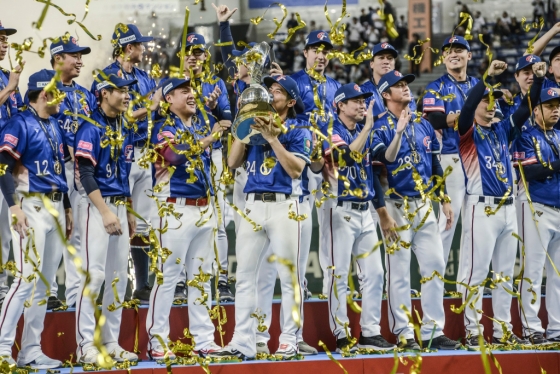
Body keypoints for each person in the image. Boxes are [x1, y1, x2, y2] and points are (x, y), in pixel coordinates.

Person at [210, 75, 312, 360]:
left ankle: (289, 339)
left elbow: (295, 170)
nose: (271, 94)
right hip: (253, 205)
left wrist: (272, 138)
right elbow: (231, 163)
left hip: (286, 206)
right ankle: (243, 340)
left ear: (290, 101)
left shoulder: (299, 129)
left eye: (278, 91)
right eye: (270, 89)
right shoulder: (252, 126)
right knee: (244, 277)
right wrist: (243, 129)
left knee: (288, 277)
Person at [455, 60, 545, 350]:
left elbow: (525, 108)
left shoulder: (502, 130)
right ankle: (473, 330)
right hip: (481, 208)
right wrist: (487, 78)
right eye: (486, 100)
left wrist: (540, 81)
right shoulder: (467, 133)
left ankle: (503, 329)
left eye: (494, 100)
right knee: (476, 273)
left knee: (505, 275)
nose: (491, 105)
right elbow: (467, 108)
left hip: (507, 208)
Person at [371, 70, 459, 351]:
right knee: (398, 271)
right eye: (398, 86)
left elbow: (433, 164)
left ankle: (434, 329)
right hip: (396, 205)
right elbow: (380, 165)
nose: (406, 88)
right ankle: (405, 331)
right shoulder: (379, 126)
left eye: (406, 84)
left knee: (434, 265)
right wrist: (382, 212)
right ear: (386, 95)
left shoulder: (421, 123)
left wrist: (443, 198)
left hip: (423, 204)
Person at [146, 77, 227, 359]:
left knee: (202, 279)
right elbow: (174, 154)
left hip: (203, 206)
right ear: (169, 99)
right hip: (174, 208)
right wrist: (210, 138)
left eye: (192, 91)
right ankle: (157, 342)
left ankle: (204, 339)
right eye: (184, 91)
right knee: (168, 278)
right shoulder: (163, 127)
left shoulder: (201, 125)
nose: (191, 95)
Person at [0, 69, 73, 369]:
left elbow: (59, 170)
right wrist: (13, 207)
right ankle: (2, 349)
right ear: (45, 93)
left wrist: (67, 206)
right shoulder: (19, 122)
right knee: (25, 280)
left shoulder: (54, 123)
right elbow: (3, 166)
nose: (62, 99)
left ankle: (30, 349)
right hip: (29, 206)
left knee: (44, 285)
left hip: (54, 205)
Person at [321, 83, 395, 353]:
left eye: (364, 100)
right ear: (340, 105)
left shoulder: (366, 130)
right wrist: (367, 127)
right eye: (356, 100)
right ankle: (341, 333)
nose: (362, 104)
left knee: (375, 273)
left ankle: (370, 332)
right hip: (338, 209)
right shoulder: (331, 129)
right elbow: (346, 158)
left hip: (364, 209)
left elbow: (378, 165)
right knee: (338, 274)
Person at [74, 68, 138, 364]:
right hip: (97, 207)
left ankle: (111, 341)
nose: (127, 95)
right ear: (104, 93)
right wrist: (105, 212)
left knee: (117, 280)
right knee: (94, 275)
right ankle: (85, 344)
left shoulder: (123, 125)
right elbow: (85, 173)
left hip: (119, 207)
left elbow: (124, 171)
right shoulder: (90, 126)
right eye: (121, 90)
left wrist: (128, 211)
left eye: (128, 90)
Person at [97, 23, 160, 304]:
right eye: (140, 44)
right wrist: (151, 106)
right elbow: (118, 117)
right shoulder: (107, 78)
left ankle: (141, 284)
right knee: (115, 222)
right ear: (128, 48)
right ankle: (109, 285)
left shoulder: (144, 77)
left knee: (142, 224)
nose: (144, 48)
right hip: (119, 154)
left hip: (145, 153)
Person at [182, 32, 234, 302]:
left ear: (205, 56)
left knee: (219, 220)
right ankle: (180, 280)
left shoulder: (216, 83)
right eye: (189, 51)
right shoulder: (175, 83)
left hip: (210, 156)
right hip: (179, 158)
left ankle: (222, 280)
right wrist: (205, 108)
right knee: (178, 216)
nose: (193, 56)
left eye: (198, 51)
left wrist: (212, 110)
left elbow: (227, 123)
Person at [291, 30, 341, 297]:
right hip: (304, 160)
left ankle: (331, 288)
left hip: (329, 163)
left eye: (325, 51)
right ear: (305, 53)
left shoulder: (334, 86)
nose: (321, 55)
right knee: (302, 225)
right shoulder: (294, 82)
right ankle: (301, 285)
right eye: (316, 50)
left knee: (330, 226)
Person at [48, 35, 95, 310]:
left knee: (75, 232)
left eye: (81, 55)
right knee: (52, 232)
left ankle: (75, 296)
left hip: (80, 169)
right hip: (53, 169)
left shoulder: (84, 93)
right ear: (57, 59)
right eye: (73, 55)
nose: (79, 60)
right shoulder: (44, 89)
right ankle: (49, 292)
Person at [423, 35, 478, 268]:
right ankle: (434, 277)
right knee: (448, 221)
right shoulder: (436, 86)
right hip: (450, 156)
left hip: (477, 160)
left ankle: (466, 281)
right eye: (448, 51)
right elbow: (433, 119)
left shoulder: (478, 85)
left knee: (475, 225)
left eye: (459, 49)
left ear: (469, 55)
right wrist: (461, 118)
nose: (453, 54)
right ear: (443, 57)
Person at [512, 87, 560, 346]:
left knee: (559, 275)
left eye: (558, 105)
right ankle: (531, 327)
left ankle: (556, 328)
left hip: (559, 207)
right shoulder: (524, 136)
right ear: (537, 109)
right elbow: (527, 173)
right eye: (549, 104)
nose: (555, 109)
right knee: (532, 270)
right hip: (536, 207)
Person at [0, 21, 23, 311]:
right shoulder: (8, 81)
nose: (4, 43)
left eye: (5, 39)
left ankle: (5, 286)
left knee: (6, 228)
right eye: (0, 38)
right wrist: (9, 88)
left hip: (8, 159)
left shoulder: (6, 75)